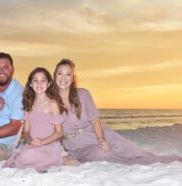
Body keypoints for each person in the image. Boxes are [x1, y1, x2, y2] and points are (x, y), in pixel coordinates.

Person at [54, 59, 182, 165]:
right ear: (55, 76)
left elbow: (95, 120)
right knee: (104, 154)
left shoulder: (83, 94)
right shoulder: (51, 102)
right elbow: (51, 132)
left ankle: (167, 160)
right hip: (76, 146)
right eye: (60, 73)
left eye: (68, 74)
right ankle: (80, 159)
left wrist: (101, 140)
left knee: (133, 152)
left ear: (73, 78)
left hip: (98, 134)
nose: (63, 78)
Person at [3, 67, 66, 172]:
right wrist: (31, 141)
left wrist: (42, 142)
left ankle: (57, 160)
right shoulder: (29, 105)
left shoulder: (52, 104)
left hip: (49, 146)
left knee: (25, 157)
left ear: (49, 84)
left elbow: (59, 132)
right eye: (35, 80)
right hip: (33, 145)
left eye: (43, 80)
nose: (39, 84)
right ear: (31, 84)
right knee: (22, 155)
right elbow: (26, 131)